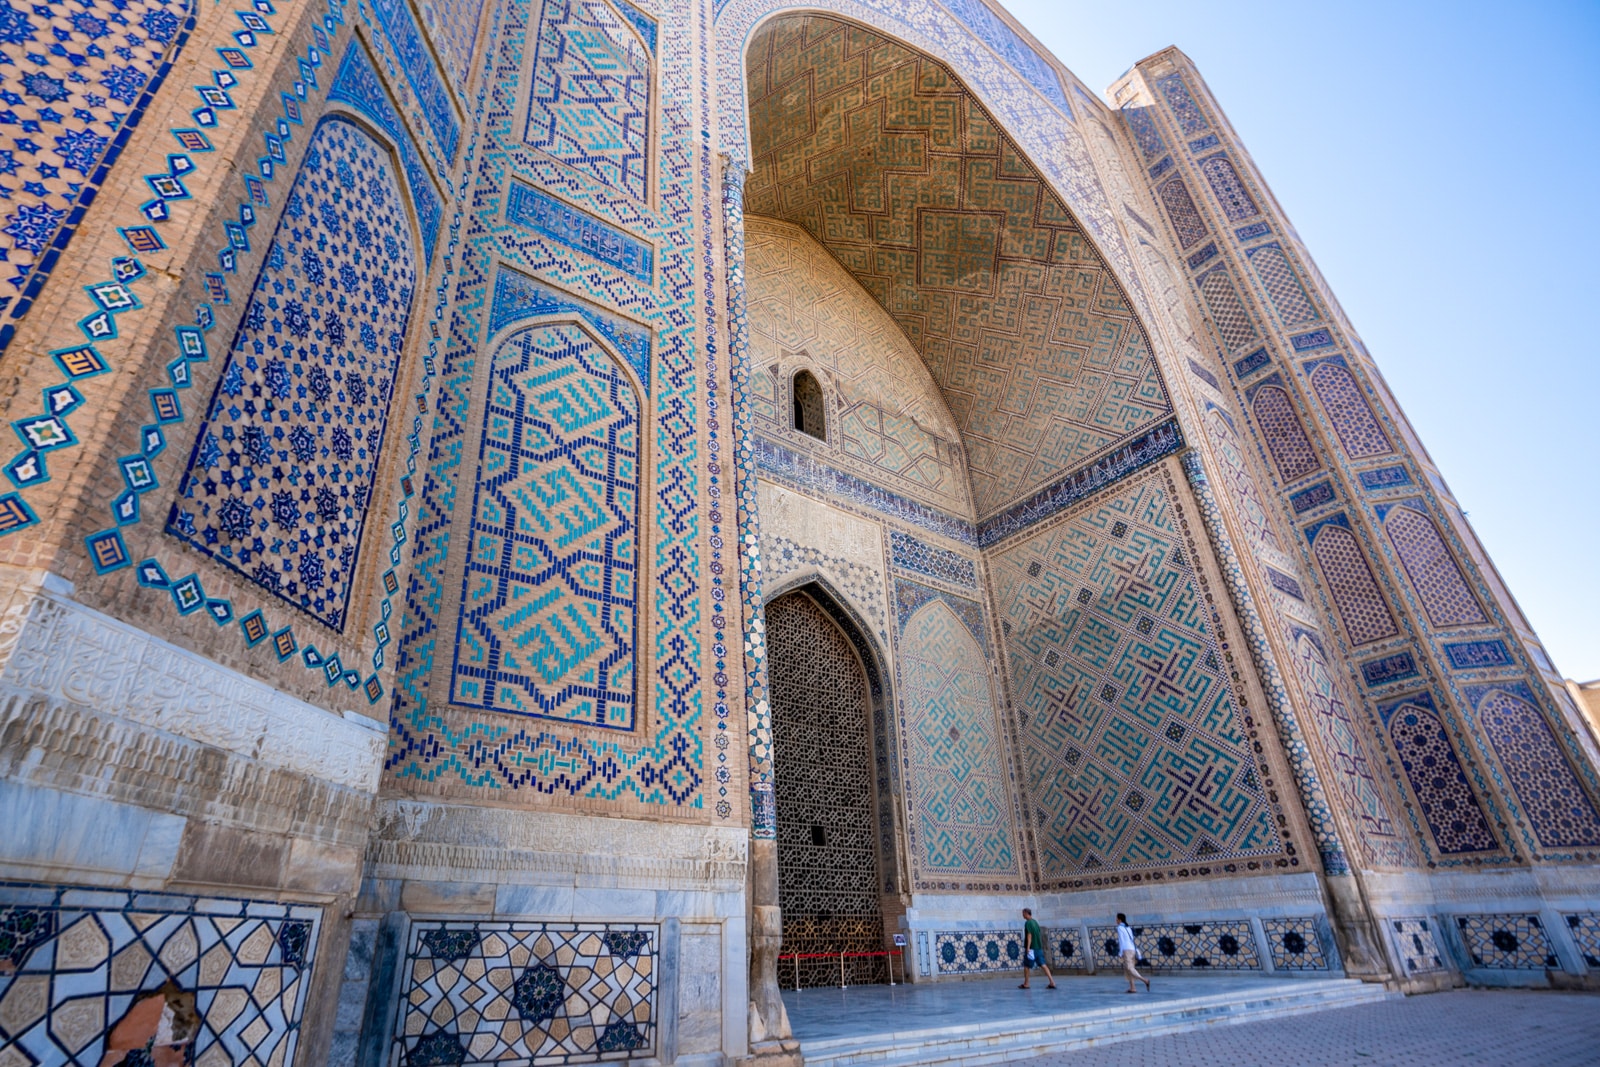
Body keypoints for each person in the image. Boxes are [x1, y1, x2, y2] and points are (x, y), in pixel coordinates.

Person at [1018, 908, 1056, 989]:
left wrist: (1028, 947)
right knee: (1043, 964)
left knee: (1026, 966)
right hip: (1038, 948)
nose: (1022, 915)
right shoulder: (1035, 922)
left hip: (1032, 948)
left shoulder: (1028, 923)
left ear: (1026, 913)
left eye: (1023, 913)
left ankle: (1026, 983)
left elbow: (1029, 935)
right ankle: (1052, 981)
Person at [1116, 913, 1150, 993]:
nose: (1116, 920)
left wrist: (1120, 952)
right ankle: (1132, 987)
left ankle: (1145, 980)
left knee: (1129, 968)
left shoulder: (1120, 928)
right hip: (1132, 949)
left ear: (1120, 920)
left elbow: (1121, 941)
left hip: (1126, 949)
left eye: (1117, 919)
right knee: (1129, 969)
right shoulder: (1128, 927)